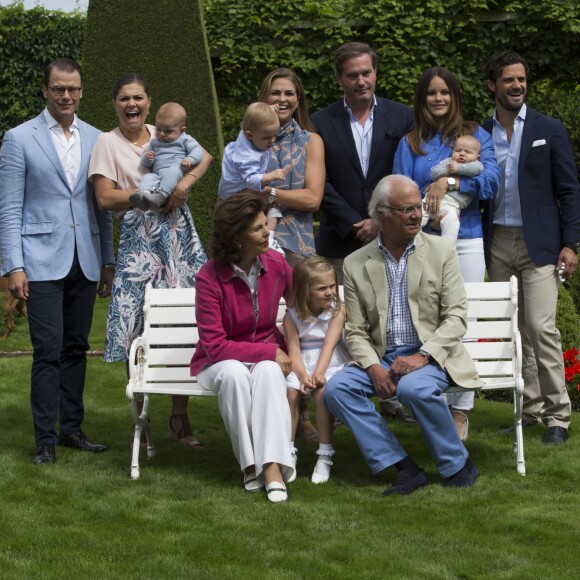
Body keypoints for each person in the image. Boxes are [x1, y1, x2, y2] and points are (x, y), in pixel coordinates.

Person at [323, 175, 482, 496]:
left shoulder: (440, 250)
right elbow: (355, 330)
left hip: (432, 356)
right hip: (382, 358)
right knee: (337, 389)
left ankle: (457, 464)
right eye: (406, 209)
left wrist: (423, 356)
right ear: (381, 213)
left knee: (413, 388)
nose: (416, 215)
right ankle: (403, 468)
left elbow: (455, 317)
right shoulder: (356, 262)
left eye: (418, 208)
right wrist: (373, 368)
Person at [88, 73, 212, 449]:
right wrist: (145, 197)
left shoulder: (166, 130)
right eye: (124, 98)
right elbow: (105, 199)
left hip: (177, 235)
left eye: (138, 98)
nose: (132, 105)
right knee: (135, 323)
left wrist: (182, 186)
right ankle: (139, 419)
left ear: (148, 101)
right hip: (139, 238)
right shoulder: (106, 143)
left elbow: (205, 157)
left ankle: (180, 415)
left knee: (185, 316)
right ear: (115, 103)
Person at [0, 58, 114, 464]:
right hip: (39, 261)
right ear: (46, 90)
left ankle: (72, 430)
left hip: (84, 259)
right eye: (59, 88)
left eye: (74, 89)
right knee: (47, 349)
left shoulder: (98, 137)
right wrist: (13, 265)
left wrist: (108, 261)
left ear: (82, 91)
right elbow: (10, 207)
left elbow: (102, 206)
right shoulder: (18, 138)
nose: (67, 95)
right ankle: (45, 439)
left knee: (76, 347)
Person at [393, 67, 500, 440]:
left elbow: (490, 182)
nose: (438, 99)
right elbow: (399, 188)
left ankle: (461, 408)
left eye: (445, 93)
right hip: (420, 240)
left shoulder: (475, 134)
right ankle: (430, 400)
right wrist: (425, 195)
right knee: (425, 322)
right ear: (422, 99)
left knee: (461, 319)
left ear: (455, 96)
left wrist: (449, 180)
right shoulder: (411, 143)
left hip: (466, 238)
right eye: (431, 94)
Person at [311, 42, 415, 425]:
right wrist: (355, 221)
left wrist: (379, 220)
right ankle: (340, 396)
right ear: (340, 78)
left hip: (390, 238)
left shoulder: (402, 116)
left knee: (390, 318)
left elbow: (403, 171)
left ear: (375, 73)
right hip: (340, 238)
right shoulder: (321, 122)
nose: (361, 80)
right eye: (352, 74)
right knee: (338, 319)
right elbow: (319, 182)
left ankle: (393, 396)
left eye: (366, 73)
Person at [482, 51, 580, 444]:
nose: (517, 85)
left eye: (521, 79)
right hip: (498, 242)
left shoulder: (548, 128)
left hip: (540, 243)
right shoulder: (479, 133)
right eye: (509, 80)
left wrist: (571, 243)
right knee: (515, 330)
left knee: (541, 327)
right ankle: (531, 411)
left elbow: (570, 190)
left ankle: (559, 416)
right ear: (492, 85)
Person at [190, 192, 295, 503]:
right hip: (217, 361)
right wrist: (266, 351)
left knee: (267, 371)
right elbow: (215, 346)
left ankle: (272, 467)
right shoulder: (209, 277)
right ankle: (249, 465)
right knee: (236, 374)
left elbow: (300, 307)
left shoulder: (276, 263)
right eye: (257, 229)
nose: (267, 233)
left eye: (266, 225)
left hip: (264, 354)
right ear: (235, 237)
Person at [258, 68, 326, 440]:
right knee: (261, 325)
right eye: (274, 93)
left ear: (298, 100)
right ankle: (265, 409)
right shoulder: (248, 141)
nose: (281, 100)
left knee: (298, 331)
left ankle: (300, 416)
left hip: (297, 247)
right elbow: (232, 193)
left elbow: (312, 198)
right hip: (256, 247)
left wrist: (265, 195)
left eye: (289, 94)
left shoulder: (310, 141)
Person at [283, 257, 351, 484]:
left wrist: (318, 374)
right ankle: (287, 451)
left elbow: (330, 345)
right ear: (305, 290)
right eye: (322, 288)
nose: (330, 292)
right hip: (301, 361)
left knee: (321, 393)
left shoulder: (337, 312)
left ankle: (324, 453)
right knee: (291, 392)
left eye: (332, 286)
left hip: (329, 361)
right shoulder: (291, 315)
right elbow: (293, 349)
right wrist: (303, 376)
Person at [219, 102, 285, 235]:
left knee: (271, 212)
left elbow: (251, 123)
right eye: (266, 137)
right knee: (246, 224)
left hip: (235, 193)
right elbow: (250, 180)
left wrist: (269, 111)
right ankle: (266, 237)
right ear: (249, 135)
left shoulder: (246, 136)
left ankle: (266, 235)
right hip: (235, 198)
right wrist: (270, 176)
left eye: (274, 135)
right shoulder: (247, 156)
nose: (272, 140)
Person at [129, 102, 203, 210]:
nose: (162, 134)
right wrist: (148, 158)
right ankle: (143, 197)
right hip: (158, 174)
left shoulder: (184, 139)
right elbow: (145, 160)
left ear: (182, 130)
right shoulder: (154, 142)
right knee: (148, 177)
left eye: (168, 131)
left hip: (177, 170)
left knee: (173, 171)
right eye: (158, 129)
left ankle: (161, 196)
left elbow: (197, 150)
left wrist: (190, 159)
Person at [424, 135, 483, 240]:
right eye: (458, 150)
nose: (462, 154)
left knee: (451, 225)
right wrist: (447, 171)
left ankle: (448, 247)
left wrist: (457, 169)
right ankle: (411, 240)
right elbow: (434, 173)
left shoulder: (476, 165)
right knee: (418, 215)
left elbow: (476, 170)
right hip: (431, 200)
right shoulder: (448, 162)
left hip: (451, 206)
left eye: (468, 152)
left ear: (477, 157)